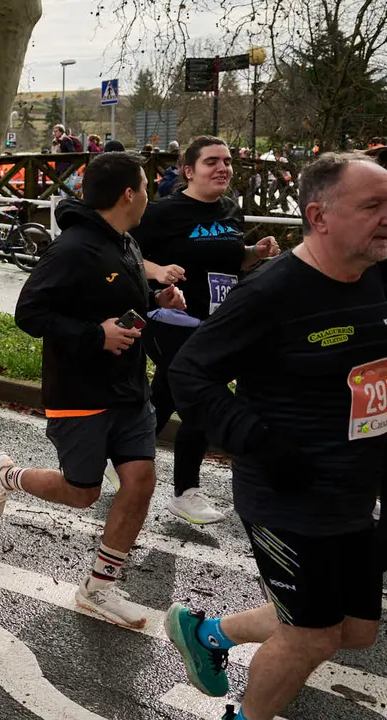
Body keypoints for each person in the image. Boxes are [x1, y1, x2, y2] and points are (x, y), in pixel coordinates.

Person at [164, 153, 387, 720]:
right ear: (318, 216)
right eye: (373, 206)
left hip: (356, 489)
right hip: (288, 494)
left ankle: (208, 632)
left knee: (355, 630)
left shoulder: (378, 273)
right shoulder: (273, 291)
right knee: (311, 635)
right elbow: (190, 373)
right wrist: (261, 442)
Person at [0, 151, 187, 629]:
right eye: (146, 187)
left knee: (140, 480)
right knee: (82, 493)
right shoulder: (72, 248)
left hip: (130, 389)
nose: (150, 197)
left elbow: (115, 301)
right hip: (80, 391)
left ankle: (99, 589)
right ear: (128, 194)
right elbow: (29, 314)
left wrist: (156, 300)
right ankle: (6, 477)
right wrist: (98, 335)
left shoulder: (126, 242)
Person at [133, 135, 281, 525]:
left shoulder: (231, 210)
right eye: (211, 161)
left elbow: (232, 262)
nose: (223, 168)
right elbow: (123, 250)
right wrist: (158, 272)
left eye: (227, 161)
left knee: (166, 394)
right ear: (188, 171)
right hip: (172, 318)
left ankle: (125, 451)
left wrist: (255, 253)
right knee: (201, 393)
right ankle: (185, 491)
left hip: (218, 321)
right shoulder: (165, 212)